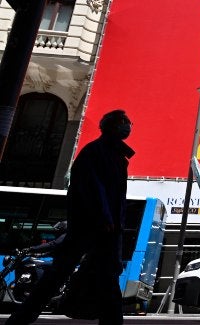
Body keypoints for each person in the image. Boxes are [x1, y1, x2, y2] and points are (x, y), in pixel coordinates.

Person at [6, 109, 135, 325]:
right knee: (61, 275)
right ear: (112, 126)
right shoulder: (96, 153)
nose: (128, 126)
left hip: (105, 229)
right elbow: (94, 190)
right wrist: (104, 219)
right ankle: (20, 319)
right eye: (125, 121)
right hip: (93, 226)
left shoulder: (114, 155)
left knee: (105, 279)